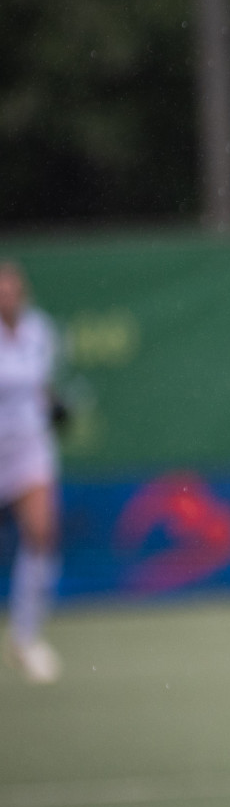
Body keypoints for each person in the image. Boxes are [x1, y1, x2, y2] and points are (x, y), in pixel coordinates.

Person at [0, 261, 64, 685]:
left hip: (29, 450)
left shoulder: (41, 331)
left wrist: (55, 406)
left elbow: (42, 386)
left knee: (42, 534)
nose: (6, 298)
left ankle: (25, 638)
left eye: (11, 291)